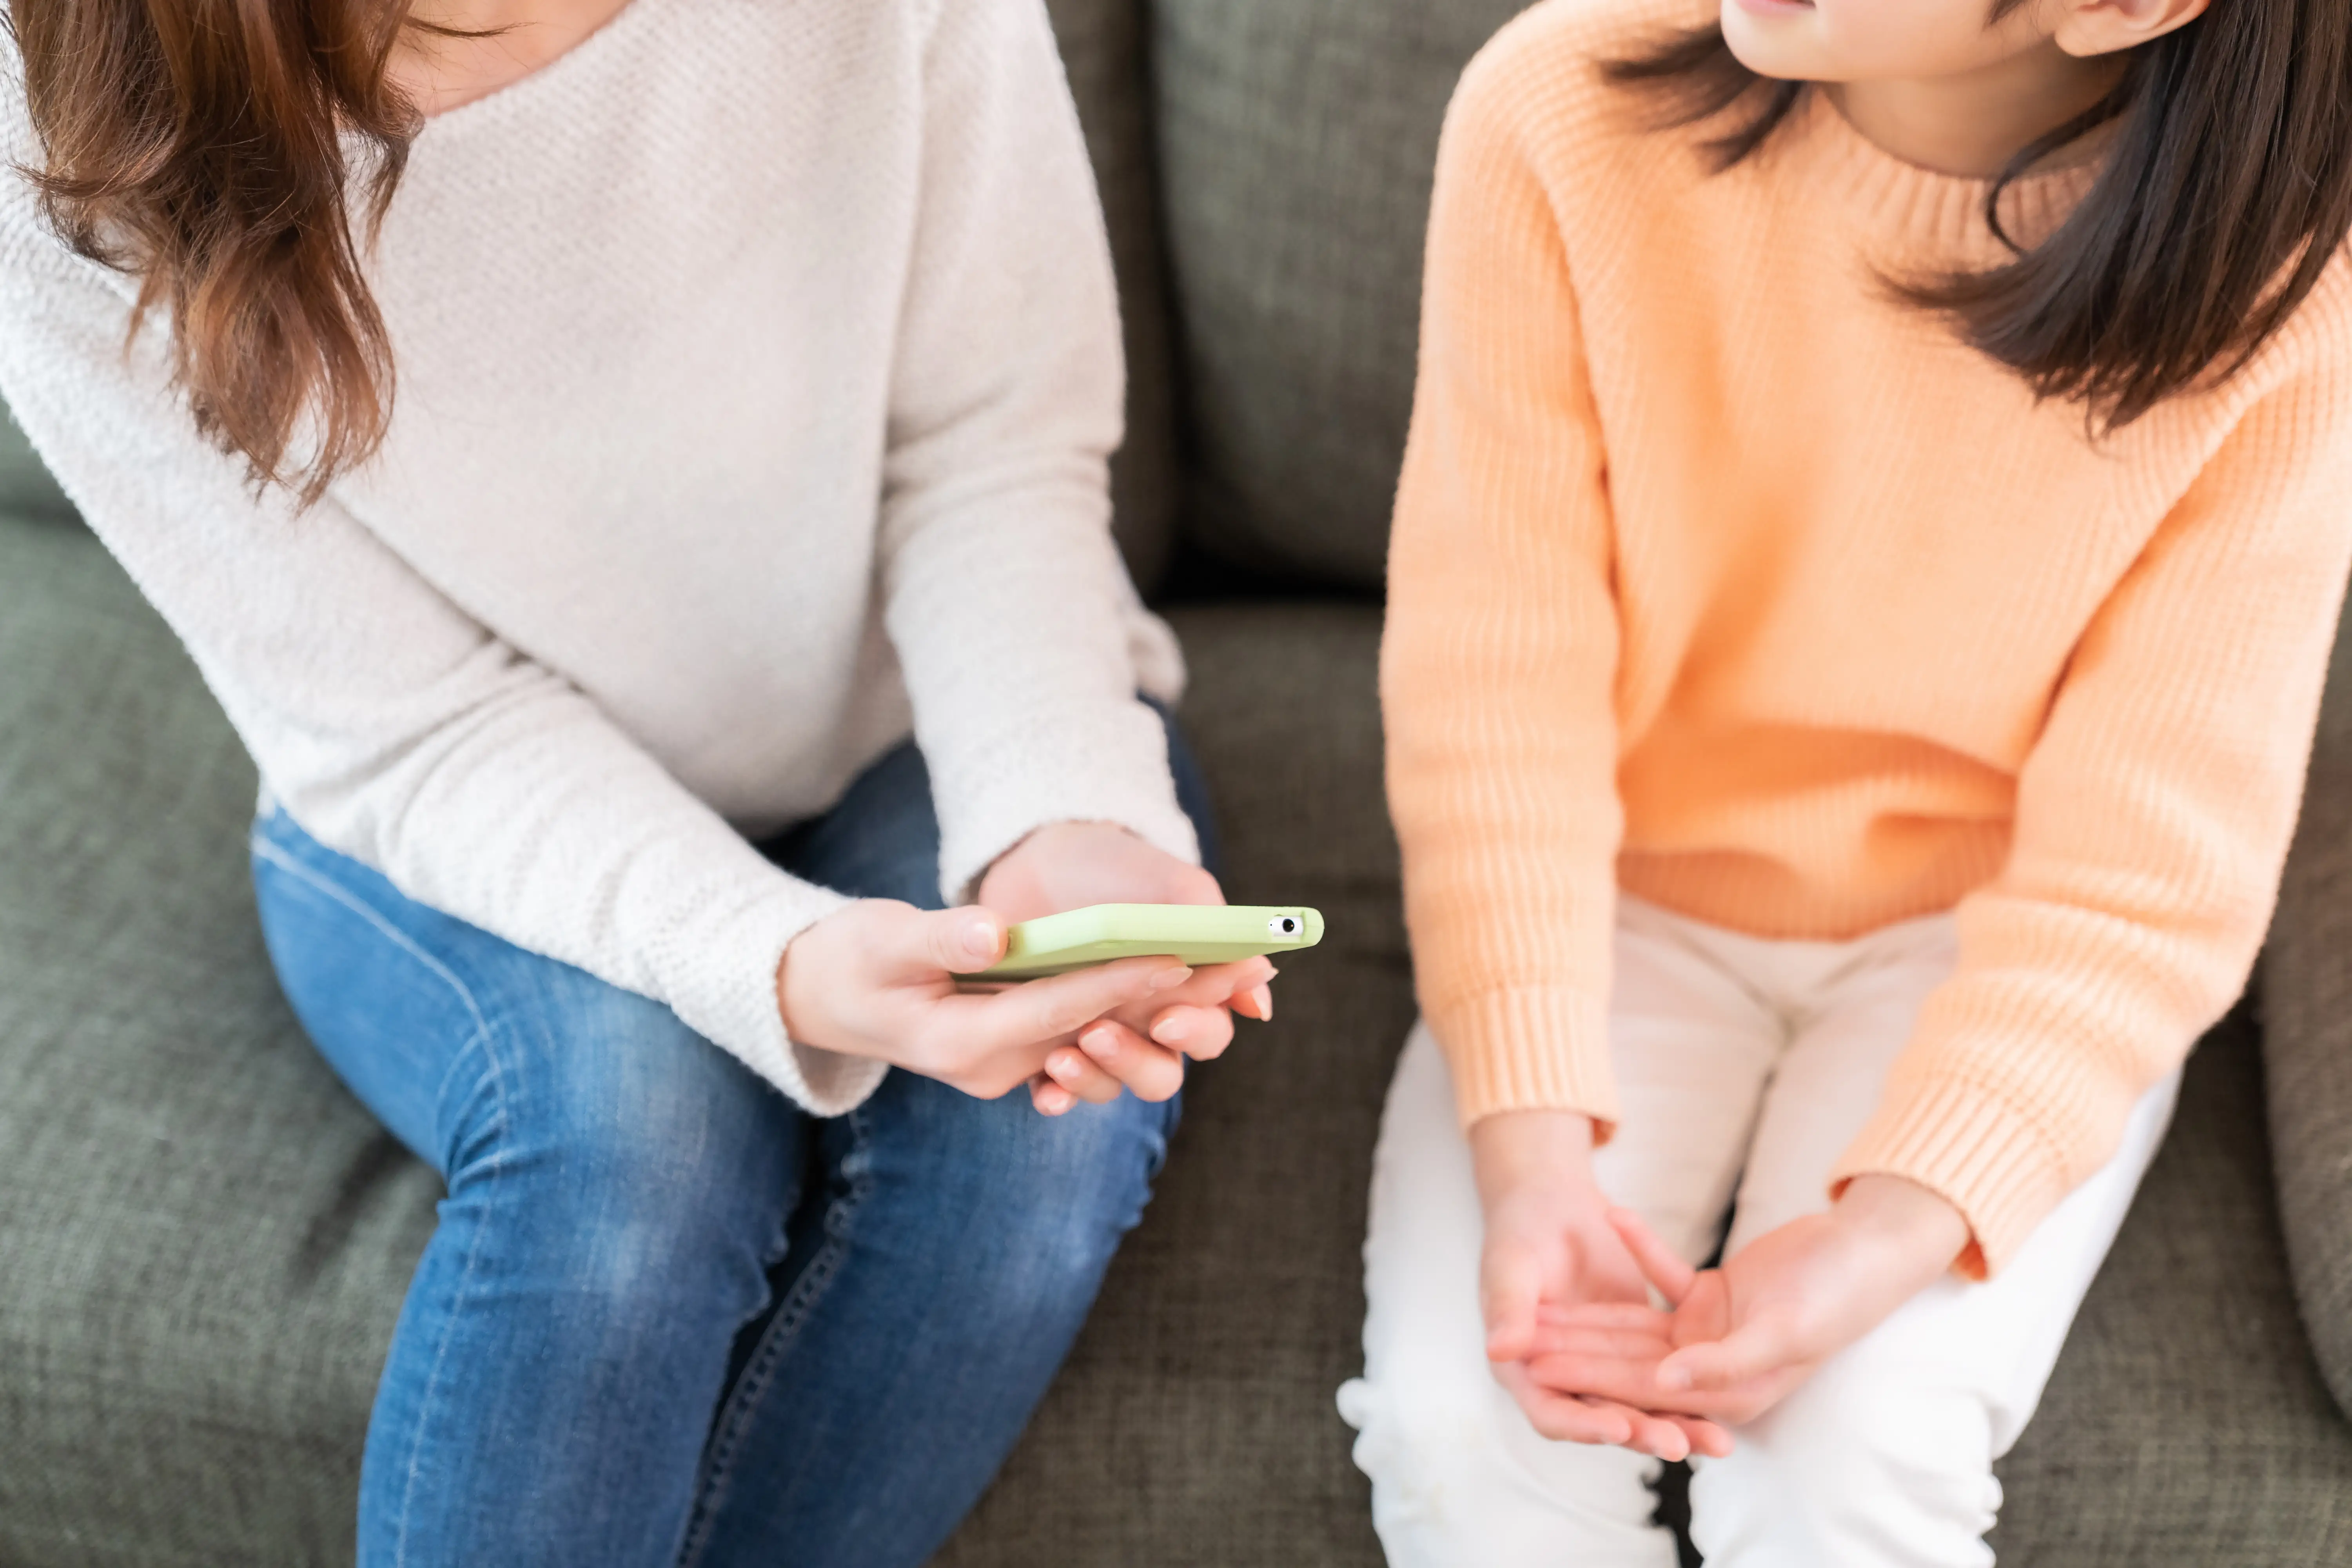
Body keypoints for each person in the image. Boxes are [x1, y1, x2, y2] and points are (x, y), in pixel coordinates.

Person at [0, 1, 1278, 1563]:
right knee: (634, 1160)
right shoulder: (50, 124)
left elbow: (991, 444)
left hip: (903, 719)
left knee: (1046, 1126)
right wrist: (772, 958)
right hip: (445, 789)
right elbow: (408, 723)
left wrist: (1065, 812)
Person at [1343, 0, 2352, 1561]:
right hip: (1611, 897)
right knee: (1468, 1444)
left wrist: (1899, 1223)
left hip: (1991, 940)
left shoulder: (2293, 287)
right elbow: (1496, 680)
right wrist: (1529, 1135)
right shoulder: (1556, 109)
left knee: (1853, 1468)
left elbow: (2154, 850)